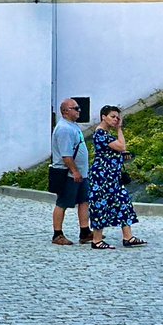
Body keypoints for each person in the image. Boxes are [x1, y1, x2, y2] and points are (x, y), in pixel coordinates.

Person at [88, 105, 146, 250]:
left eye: (117, 117)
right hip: (102, 176)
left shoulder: (107, 134)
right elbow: (121, 146)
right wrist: (120, 129)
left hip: (113, 176)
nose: (116, 120)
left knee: (123, 202)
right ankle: (97, 240)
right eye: (113, 117)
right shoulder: (101, 133)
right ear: (103, 117)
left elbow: (121, 149)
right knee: (100, 204)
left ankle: (128, 237)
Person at [50, 98, 93, 246]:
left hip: (81, 172)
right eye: (75, 108)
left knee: (84, 201)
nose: (79, 110)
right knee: (62, 202)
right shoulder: (64, 129)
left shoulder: (73, 126)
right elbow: (66, 155)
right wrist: (74, 171)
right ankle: (57, 234)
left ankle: (85, 231)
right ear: (65, 111)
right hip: (68, 173)